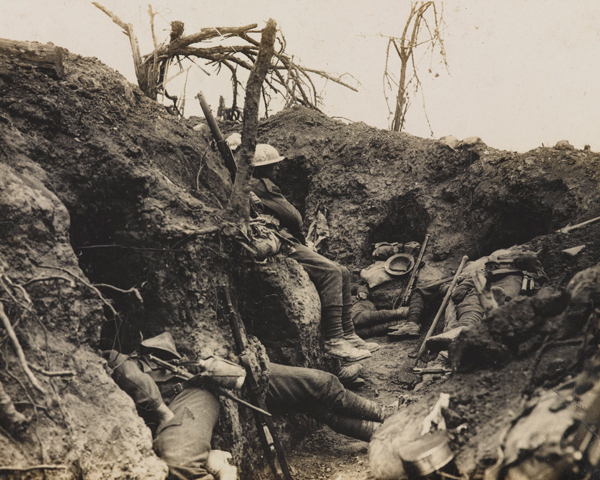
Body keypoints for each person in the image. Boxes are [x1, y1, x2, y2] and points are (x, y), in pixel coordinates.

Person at [104, 332, 391, 480]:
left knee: (319, 391)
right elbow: (127, 372)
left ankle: (386, 422)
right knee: (183, 463)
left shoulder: (115, 358)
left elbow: (125, 367)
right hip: (196, 394)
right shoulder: (105, 363)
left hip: (219, 375)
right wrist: (164, 414)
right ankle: (388, 430)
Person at [249, 144, 378, 362]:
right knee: (331, 272)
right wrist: (300, 239)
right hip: (280, 241)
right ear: (265, 168)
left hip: (280, 237)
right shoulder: (262, 186)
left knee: (344, 271)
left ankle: (348, 334)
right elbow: (293, 217)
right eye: (274, 166)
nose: (277, 170)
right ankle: (335, 340)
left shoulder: (254, 185)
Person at [390, 250, 548, 360]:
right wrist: (466, 281)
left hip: (504, 289)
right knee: (472, 303)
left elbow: (537, 271)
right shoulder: (478, 269)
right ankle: (458, 333)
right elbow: (459, 291)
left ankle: (462, 334)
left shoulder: (517, 268)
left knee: (489, 304)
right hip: (478, 286)